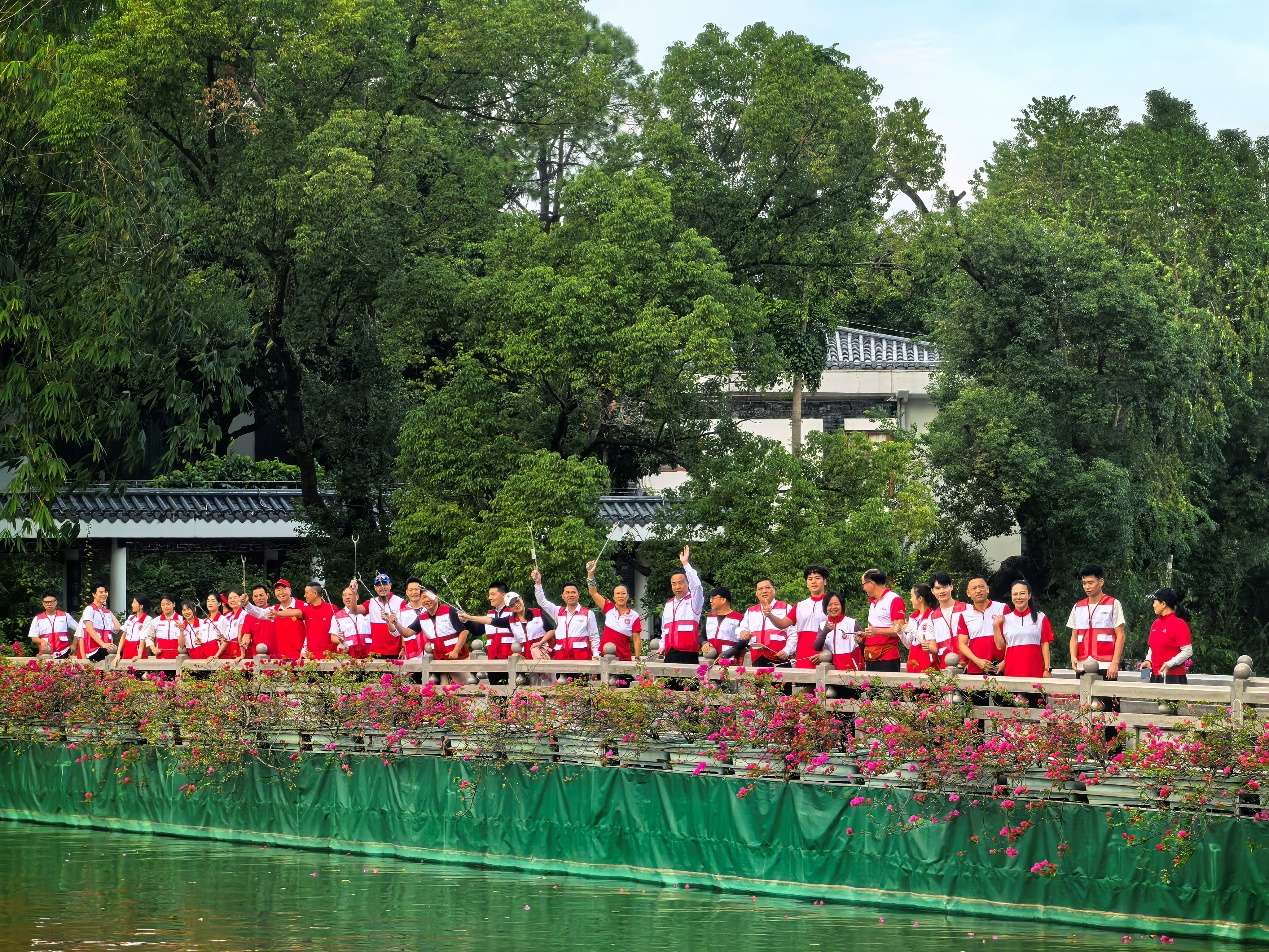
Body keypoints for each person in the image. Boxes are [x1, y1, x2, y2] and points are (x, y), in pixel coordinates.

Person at [1067, 565, 1126, 681]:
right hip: (1082, 664)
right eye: (1084, 583)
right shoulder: (1077, 606)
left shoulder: (1113, 603)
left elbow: (1121, 635)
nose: (1087, 587)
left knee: (1107, 699)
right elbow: (1074, 637)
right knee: (1084, 699)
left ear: (1101, 582)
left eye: (1090, 583)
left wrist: (1115, 663)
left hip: (1106, 664)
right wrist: (1073, 657)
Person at [460, 593, 552, 662]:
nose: (516, 604)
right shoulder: (510, 620)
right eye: (512, 605)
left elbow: (551, 630)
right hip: (526, 657)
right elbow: (489, 620)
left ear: (521, 599)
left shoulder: (537, 613)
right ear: (510, 608)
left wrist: (541, 642)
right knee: (532, 685)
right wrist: (469, 617)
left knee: (549, 682)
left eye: (517, 601)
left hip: (543, 652)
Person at [533, 568, 597, 660]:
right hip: (561, 656)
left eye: (573, 592)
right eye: (567, 592)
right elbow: (542, 601)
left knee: (582, 675)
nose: (570, 595)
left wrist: (596, 655)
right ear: (563, 596)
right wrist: (538, 583)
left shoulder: (588, 613)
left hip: (581, 657)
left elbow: (594, 637)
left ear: (578, 595)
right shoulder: (558, 611)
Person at [993, 579, 1053, 679]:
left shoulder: (1040, 617)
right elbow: (1000, 647)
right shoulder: (1006, 619)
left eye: (1022, 593)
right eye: (1015, 594)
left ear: (1029, 596)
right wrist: (995, 626)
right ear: (1011, 596)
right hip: (1012, 671)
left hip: (1035, 671)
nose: (1018, 597)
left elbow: (1045, 644)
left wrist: (1047, 669)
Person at [585, 561, 642, 660]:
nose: (620, 596)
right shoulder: (608, 607)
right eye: (618, 594)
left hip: (623, 659)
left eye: (623, 593)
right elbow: (593, 593)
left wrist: (637, 658)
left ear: (628, 596)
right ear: (614, 597)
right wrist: (590, 574)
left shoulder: (634, 615)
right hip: (604, 657)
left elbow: (636, 639)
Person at [731, 579, 793, 665]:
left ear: (774, 590)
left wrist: (787, 650)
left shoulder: (786, 608)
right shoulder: (750, 611)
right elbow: (740, 628)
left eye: (767, 588)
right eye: (760, 589)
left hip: (780, 659)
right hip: (757, 658)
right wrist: (742, 632)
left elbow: (794, 633)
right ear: (756, 593)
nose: (764, 591)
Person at [659, 547, 704, 663]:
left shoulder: (694, 601)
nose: (677, 587)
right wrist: (662, 645)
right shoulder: (669, 604)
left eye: (680, 583)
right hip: (670, 654)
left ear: (687, 583)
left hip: (688, 654)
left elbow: (697, 587)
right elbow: (665, 630)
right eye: (674, 584)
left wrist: (685, 563)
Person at [1139, 588, 1193, 685]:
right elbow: (1152, 647)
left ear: (1163, 604)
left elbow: (1188, 651)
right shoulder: (1155, 624)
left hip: (1174, 677)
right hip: (1155, 676)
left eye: (1155, 602)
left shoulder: (1180, 624)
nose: (1153, 605)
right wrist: (1148, 660)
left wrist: (1170, 663)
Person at [957, 576, 1008, 676]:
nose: (978, 590)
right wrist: (977, 661)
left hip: (1000, 667)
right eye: (974, 588)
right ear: (968, 593)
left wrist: (1005, 662)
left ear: (987, 589)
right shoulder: (965, 615)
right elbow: (962, 644)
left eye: (981, 587)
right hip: (976, 668)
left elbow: (1012, 639)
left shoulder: (1002, 608)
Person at [860, 569, 906, 672]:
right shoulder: (873, 602)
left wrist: (876, 631)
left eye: (864, 584)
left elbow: (901, 630)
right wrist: (865, 635)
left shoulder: (894, 599)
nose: (863, 588)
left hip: (887, 657)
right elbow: (875, 629)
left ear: (871, 583)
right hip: (870, 655)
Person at [352, 573, 406, 658]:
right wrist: (354, 593)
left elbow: (405, 627)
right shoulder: (371, 602)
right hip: (376, 652)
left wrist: (404, 647)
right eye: (378, 585)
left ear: (390, 585)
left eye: (384, 584)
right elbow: (354, 610)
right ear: (375, 588)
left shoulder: (400, 602)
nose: (382, 587)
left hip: (396, 651)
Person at [789, 565, 830, 669]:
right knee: (804, 685)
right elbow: (782, 624)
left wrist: (826, 654)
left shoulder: (833, 603)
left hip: (825, 656)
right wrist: (769, 614)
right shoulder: (800, 605)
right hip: (803, 656)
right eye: (810, 579)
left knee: (823, 685)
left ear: (825, 581)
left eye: (817, 578)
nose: (813, 581)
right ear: (807, 583)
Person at [926, 572, 967, 669]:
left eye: (945, 587)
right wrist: (928, 647)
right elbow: (934, 647)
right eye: (938, 588)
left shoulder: (966, 608)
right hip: (945, 667)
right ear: (932, 591)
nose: (942, 591)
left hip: (969, 664)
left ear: (951, 587)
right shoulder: (932, 617)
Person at [814, 592, 863, 670]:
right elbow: (817, 647)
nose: (833, 607)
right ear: (825, 607)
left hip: (850, 670)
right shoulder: (823, 625)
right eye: (829, 605)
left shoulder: (852, 623)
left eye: (836, 604)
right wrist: (825, 632)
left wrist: (861, 641)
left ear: (842, 606)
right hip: (830, 670)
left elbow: (863, 645)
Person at [900, 584, 938, 673]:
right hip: (913, 660)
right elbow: (908, 645)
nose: (910, 599)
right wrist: (900, 633)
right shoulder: (913, 617)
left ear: (920, 598)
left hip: (927, 661)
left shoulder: (933, 616)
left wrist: (911, 629)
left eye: (912, 596)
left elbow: (927, 643)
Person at [28, 593, 78, 658]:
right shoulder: (38, 618)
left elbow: (79, 629)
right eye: (46, 602)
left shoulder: (65, 615)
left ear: (56, 602)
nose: (49, 604)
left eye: (51, 601)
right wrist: (42, 641)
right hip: (46, 655)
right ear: (43, 603)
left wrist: (74, 645)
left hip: (64, 653)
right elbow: (33, 638)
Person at [78, 584, 119, 661]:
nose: (104, 594)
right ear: (94, 594)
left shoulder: (106, 612)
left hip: (105, 650)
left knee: (120, 651)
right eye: (101, 592)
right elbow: (89, 629)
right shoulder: (89, 609)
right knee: (114, 652)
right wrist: (103, 644)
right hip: (93, 650)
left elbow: (117, 628)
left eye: (105, 592)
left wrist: (109, 612)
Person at [330, 586, 374, 658]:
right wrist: (341, 641)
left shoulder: (367, 612)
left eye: (350, 594)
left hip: (369, 653)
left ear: (357, 597)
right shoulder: (337, 616)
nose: (347, 597)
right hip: (348, 653)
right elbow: (333, 637)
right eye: (344, 595)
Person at [702, 587, 743, 662]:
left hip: (730, 661)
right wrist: (704, 643)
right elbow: (702, 636)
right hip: (710, 661)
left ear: (723, 600)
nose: (710, 601)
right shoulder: (710, 617)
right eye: (710, 598)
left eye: (713, 598)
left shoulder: (739, 618)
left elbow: (744, 641)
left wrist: (730, 652)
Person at [271, 579, 307, 662]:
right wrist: (247, 605)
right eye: (278, 590)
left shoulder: (303, 605)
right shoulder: (274, 609)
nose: (281, 592)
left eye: (284, 589)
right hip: (280, 659)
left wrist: (304, 650)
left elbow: (310, 630)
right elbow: (260, 613)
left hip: (301, 658)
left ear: (290, 590)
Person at [299, 582, 337, 660]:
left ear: (315, 593)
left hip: (330, 658)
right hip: (311, 658)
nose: (304, 595)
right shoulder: (306, 610)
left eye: (306, 593)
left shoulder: (332, 608)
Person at [240, 585, 276, 658]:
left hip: (276, 655)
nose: (259, 598)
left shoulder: (275, 611)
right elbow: (246, 636)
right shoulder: (248, 616)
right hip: (257, 656)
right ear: (252, 598)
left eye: (261, 595)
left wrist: (247, 605)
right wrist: (244, 642)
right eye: (256, 596)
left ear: (267, 596)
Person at [117, 596, 154, 663]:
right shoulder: (130, 618)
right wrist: (118, 654)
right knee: (125, 672)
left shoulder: (148, 619)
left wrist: (139, 655)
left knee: (138, 672)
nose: (132, 605)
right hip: (127, 648)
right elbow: (123, 636)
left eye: (134, 602)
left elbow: (143, 638)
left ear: (141, 606)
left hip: (138, 649)